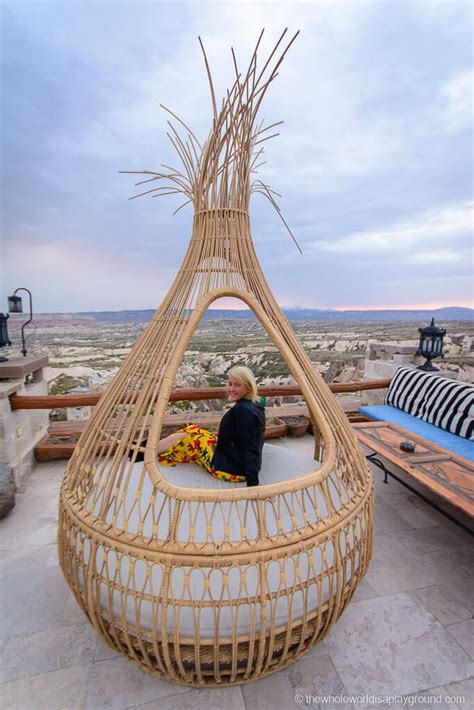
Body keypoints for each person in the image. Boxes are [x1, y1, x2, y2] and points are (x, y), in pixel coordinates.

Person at [156, 366, 266, 486]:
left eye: (237, 385)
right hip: (233, 459)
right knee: (194, 429)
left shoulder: (242, 411)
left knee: (191, 436)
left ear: (248, 387)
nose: (231, 389)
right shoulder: (254, 405)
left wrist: (253, 486)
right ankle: (153, 448)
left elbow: (250, 447)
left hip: (230, 469)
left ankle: (150, 451)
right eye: (230, 384)